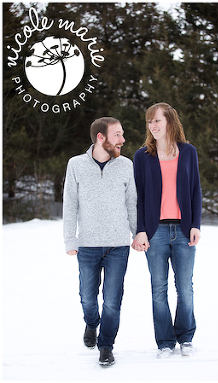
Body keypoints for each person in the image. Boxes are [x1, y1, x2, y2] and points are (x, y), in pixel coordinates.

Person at [63, 117, 136, 367]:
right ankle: (91, 323)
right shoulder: (76, 165)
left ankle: (106, 346)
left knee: (113, 300)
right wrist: (69, 239)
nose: (122, 140)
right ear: (101, 137)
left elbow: (132, 203)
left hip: (118, 245)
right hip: (87, 245)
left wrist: (138, 233)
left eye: (122, 134)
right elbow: (70, 204)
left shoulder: (127, 165)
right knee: (87, 297)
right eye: (117, 135)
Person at [131, 102, 202, 359]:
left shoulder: (188, 151)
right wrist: (139, 230)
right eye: (150, 121)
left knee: (185, 288)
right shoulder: (142, 156)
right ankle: (164, 341)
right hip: (155, 231)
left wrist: (196, 224)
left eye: (157, 120)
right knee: (158, 288)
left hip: (183, 230)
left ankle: (185, 337)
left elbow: (195, 190)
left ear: (170, 122)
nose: (153, 126)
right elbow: (137, 197)